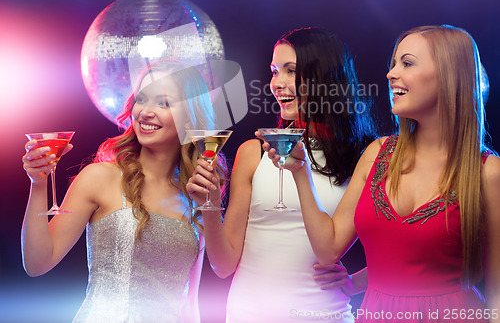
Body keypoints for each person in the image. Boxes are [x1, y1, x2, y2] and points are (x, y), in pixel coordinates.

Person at [270, 25, 500, 322]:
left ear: (448, 74)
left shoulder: (487, 172)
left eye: (407, 63)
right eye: (393, 65)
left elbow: (496, 290)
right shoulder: (377, 154)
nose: (391, 74)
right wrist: (300, 171)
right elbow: (328, 248)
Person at [187, 27, 376, 322]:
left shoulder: (363, 157)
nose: (278, 83)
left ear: (325, 78)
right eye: (275, 71)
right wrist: (210, 206)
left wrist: (357, 284)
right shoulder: (254, 153)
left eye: (291, 71)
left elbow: (400, 246)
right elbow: (223, 266)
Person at [21, 60, 225, 322]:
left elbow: (189, 303)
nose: (146, 111)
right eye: (142, 99)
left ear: (190, 116)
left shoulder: (197, 195)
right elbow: (37, 263)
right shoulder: (100, 177)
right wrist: (38, 184)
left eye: (163, 103)